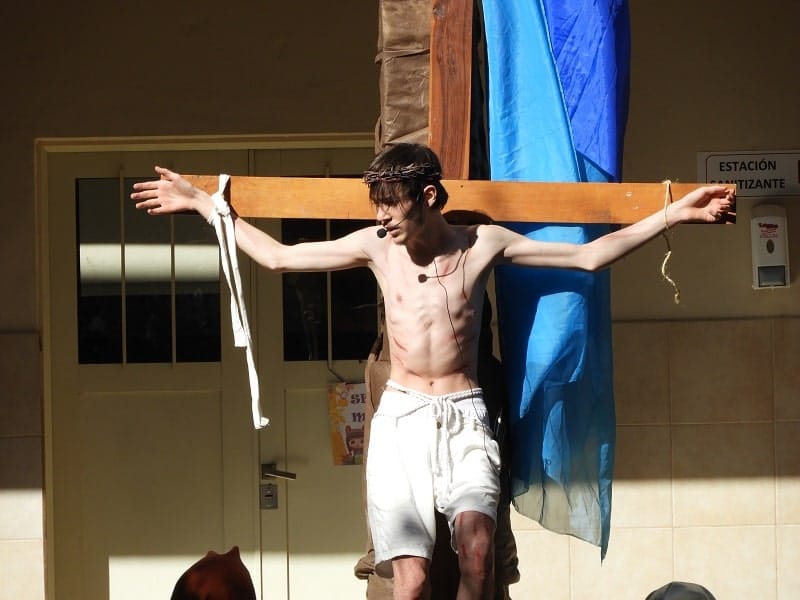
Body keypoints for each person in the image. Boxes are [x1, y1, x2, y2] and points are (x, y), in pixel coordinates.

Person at [131, 143, 735, 600]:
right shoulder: (375, 247)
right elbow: (280, 258)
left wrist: (673, 215)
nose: (383, 218)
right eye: (377, 206)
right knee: (412, 580)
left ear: (428, 197)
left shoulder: (482, 244)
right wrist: (204, 205)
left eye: (392, 206)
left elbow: (589, 256)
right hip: (402, 420)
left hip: (465, 417)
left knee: (478, 556)